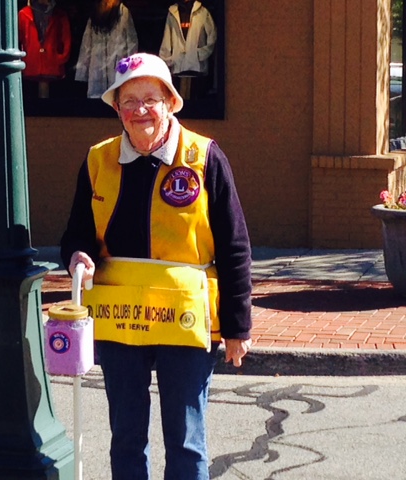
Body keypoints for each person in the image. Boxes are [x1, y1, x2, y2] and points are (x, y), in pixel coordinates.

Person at [60, 52, 252, 479]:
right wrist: (76, 255)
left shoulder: (205, 157)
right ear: (117, 109)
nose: (140, 110)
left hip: (186, 319)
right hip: (120, 317)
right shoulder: (98, 160)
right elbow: (77, 233)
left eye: (150, 99)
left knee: (186, 441)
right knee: (126, 437)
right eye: (129, 101)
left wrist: (237, 327)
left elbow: (235, 246)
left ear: (169, 102)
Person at [74, 0, 138, 98]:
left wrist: (131, 69)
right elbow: (87, 42)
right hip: (97, 65)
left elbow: (131, 41)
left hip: (117, 64)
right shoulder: (95, 13)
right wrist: (82, 71)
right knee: (96, 98)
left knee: (115, 96)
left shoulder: (122, 12)